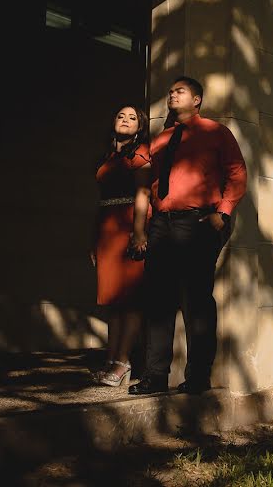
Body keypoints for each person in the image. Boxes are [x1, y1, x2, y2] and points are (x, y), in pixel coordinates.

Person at [128, 76, 247, 395]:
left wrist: (222, 214)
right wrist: (144, 228)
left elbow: (237, 173)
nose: (172, 95)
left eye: (179, 91)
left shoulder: (216, 132)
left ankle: (198, 377)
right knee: (158, 302)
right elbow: (147, 184)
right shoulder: (160, 139)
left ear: (197, 100)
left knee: (196, 301)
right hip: (161, 226)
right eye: (170, 92)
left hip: (198, 223)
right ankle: (155, 376)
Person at [91, 105, 152, 387]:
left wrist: (139, 232)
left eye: (132, 118)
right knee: (112, 300)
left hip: (129, 226)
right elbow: (100, 203)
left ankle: (124, 361)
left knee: (130, 300)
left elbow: (143, 193)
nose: (125, 120)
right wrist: (95, 240)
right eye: (120, 116)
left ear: (139, 127)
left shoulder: (139, 154)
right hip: (107, 229)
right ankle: (110, 359)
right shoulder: (108, 157)